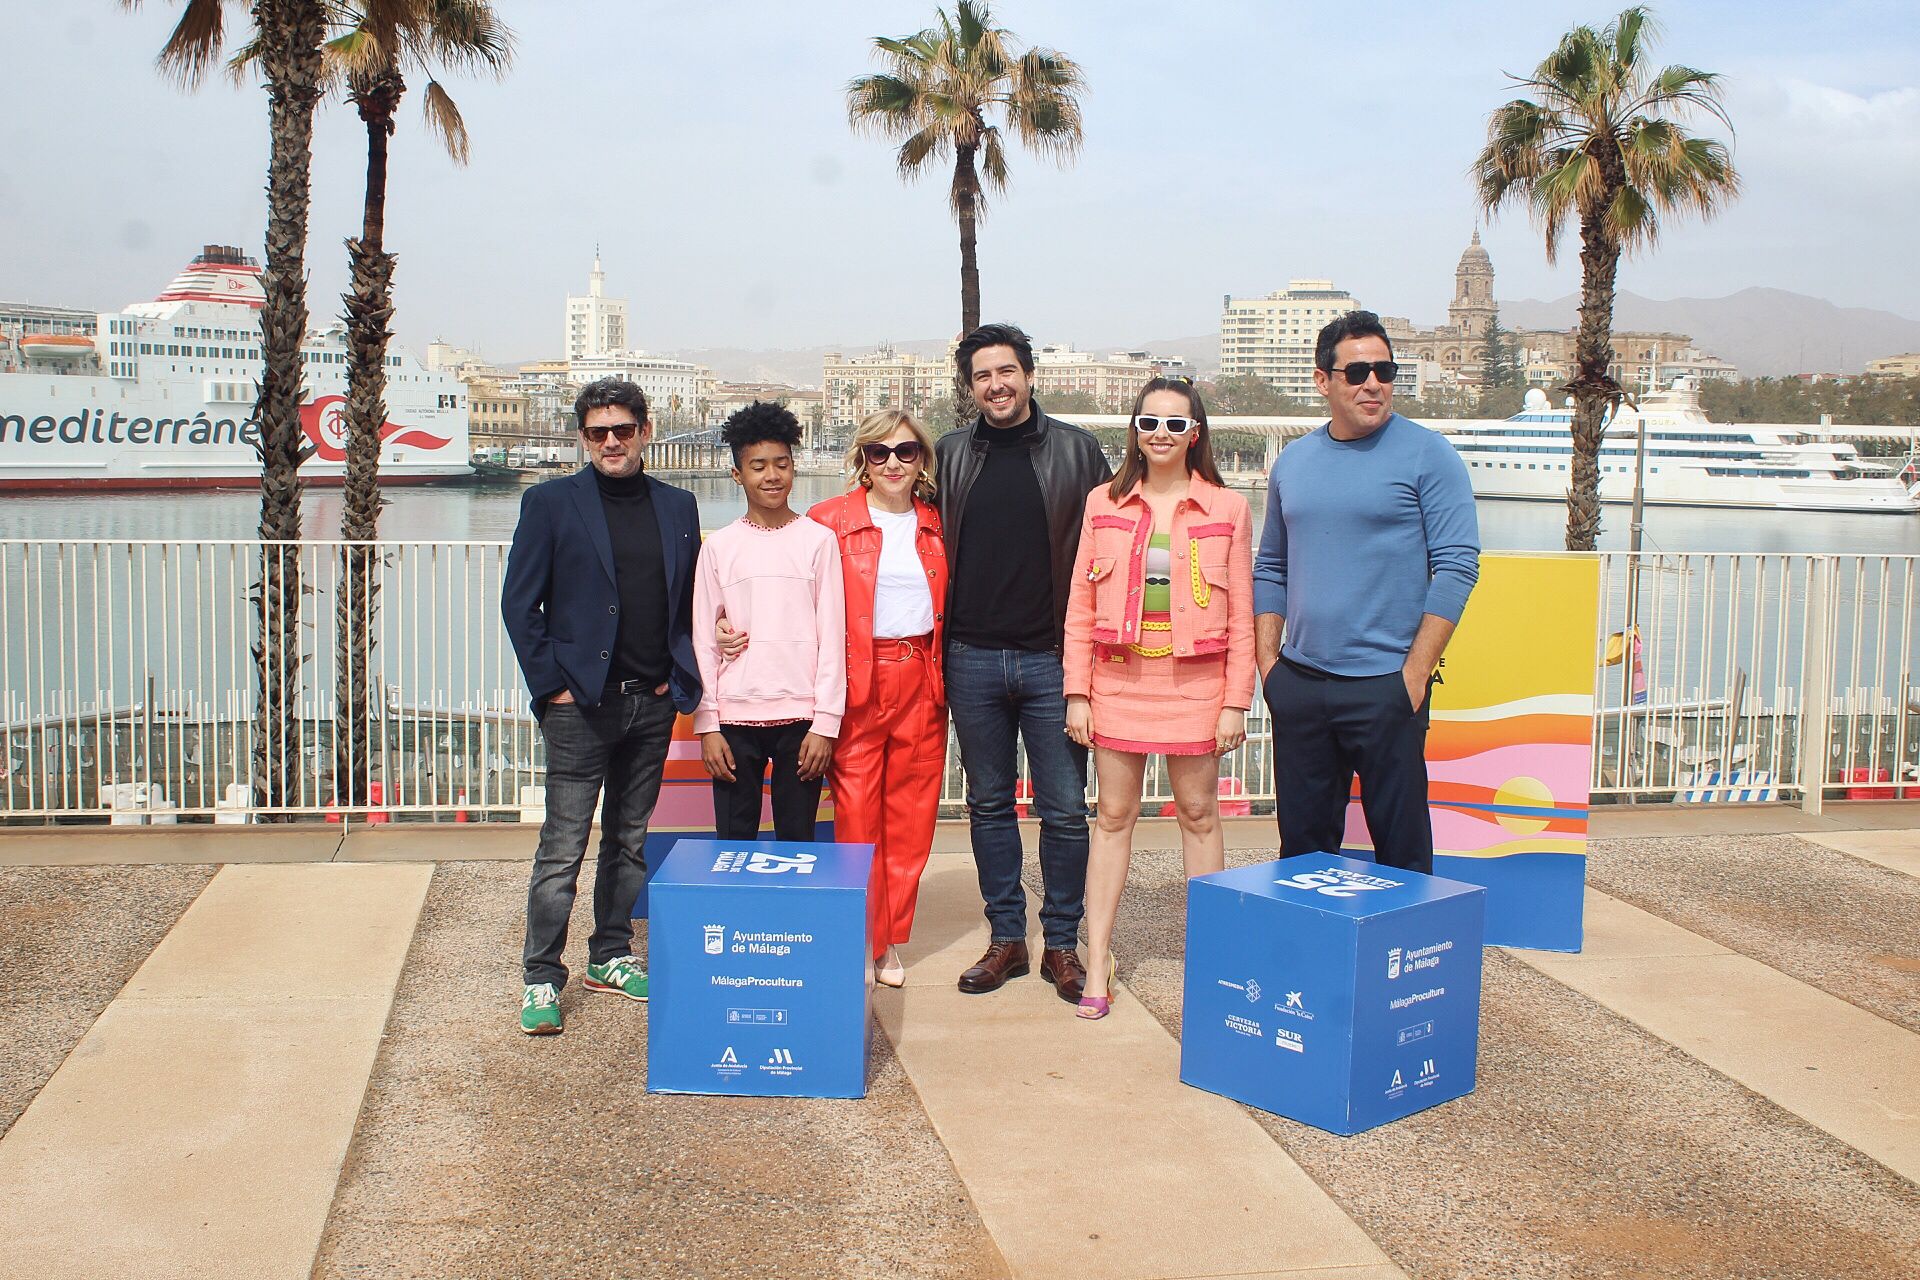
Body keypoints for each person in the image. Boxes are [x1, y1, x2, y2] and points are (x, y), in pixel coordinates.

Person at [501, 377, 702, 1036]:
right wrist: (551, 686)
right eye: (597, 432)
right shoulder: (551, 503)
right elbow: (519, 604)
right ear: (582, 438)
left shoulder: (678, 507)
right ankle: (540, 976)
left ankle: (610, 954)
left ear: (645, 431)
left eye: (622, 429)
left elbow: (687, 602)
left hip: (650, 705)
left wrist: (682, 675)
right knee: (562, 848)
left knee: (630, 842)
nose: (611, 442)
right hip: (578, 708)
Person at [1253, 310, 1480, 875]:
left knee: (1402, 850)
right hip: (1300, 686)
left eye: (1384, 369)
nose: (1372, 383)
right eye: (1356, 372)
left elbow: (1457, 567)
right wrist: (1269, 669)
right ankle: (1307, 960)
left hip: (1386, 687)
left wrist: (1414, 675)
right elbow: (1271, 566)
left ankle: (1408, 962)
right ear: (1322, 380)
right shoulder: (1293, 462)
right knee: (1302, 851)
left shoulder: (1431, 456)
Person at [1063, 377, 1253, 1019]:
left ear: (1195, 431)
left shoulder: (1228, 508)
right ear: (1134, 431)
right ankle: (1097, 962)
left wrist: (1236, 700)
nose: (1162, 435)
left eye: (1176, 424)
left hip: (1197, 686)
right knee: (1113, 818)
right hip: (1118, 682)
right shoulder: (1102, 503)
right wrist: (1077, 691)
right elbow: (1080, 608)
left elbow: (1247, 616)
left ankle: (1218, 959)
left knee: (1199, 815)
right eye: (1150, 422)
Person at [936, 322, 1112, 1003]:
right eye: (982, 375)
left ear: (1029, 375)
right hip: (972, 659)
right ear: (970, 385)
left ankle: (1061, 945)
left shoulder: (1076, 451)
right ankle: (1006, 938)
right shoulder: (950, 455)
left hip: (1052, 662)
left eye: (1006, 371)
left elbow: (1111, 551)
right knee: (987, 804)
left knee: (1065, 810)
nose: (996, 384)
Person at [807, 409, 949, 987]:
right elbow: (783, 583)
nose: (893, 463)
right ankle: (863, 937)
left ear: (923, 461)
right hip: (858, 680)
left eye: (906, 452)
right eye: (879, 452)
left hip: (923, 679)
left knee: (911, 820)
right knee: (858, 816)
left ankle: (890, 940)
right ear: (862, 459)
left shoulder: (937, 524)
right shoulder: (828, 520)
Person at [692, 401, 845, 841]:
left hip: (802, 720)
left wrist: (825, 724)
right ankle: (734, 914)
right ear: (737, 475)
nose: (772, 476)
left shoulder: (819, 542)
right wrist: (708, 724)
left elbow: (833, 637)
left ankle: (791, 914)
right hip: (734, 721)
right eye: (758, 466)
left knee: (798, 840)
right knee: (734, 840)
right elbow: (704, 638)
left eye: (782, 464)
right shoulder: (719, 547)